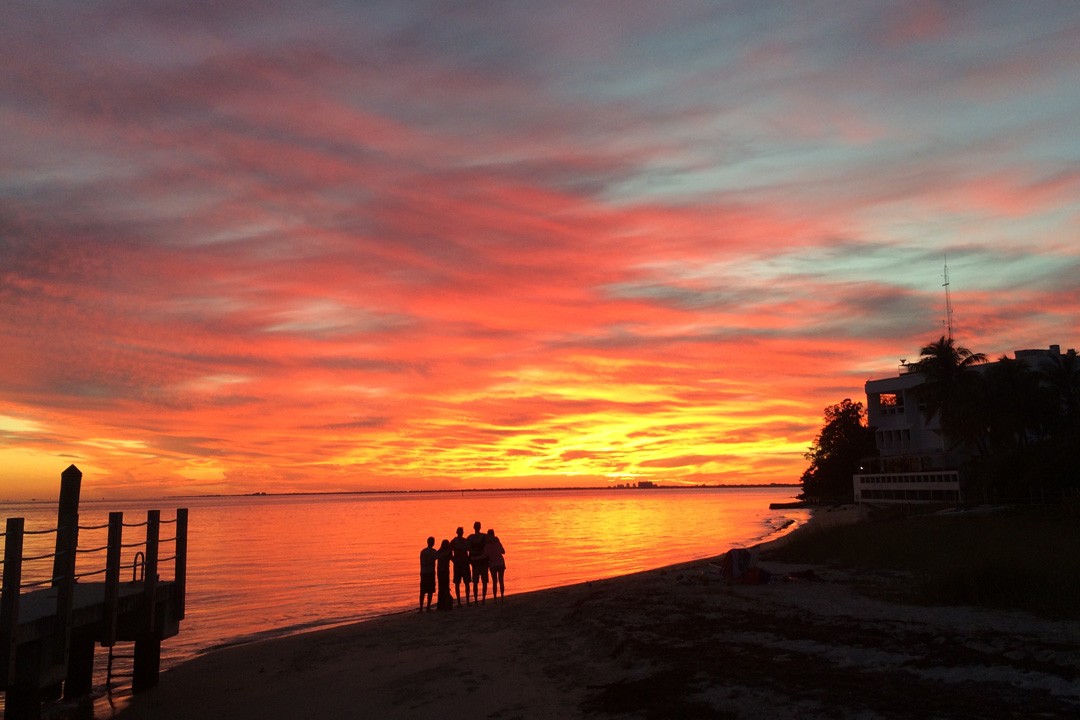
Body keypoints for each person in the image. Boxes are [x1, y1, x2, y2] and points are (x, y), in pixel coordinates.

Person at [449, 526, 472, 606]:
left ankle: (463, 602)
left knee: (463, 583)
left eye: (461, 531)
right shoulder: (455, 541)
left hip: (462, 564)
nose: (460, 533)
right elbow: (449, 551)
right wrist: (453, 559)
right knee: (461, 583)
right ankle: (462, 602)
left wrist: (453, 559)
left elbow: (470, 550)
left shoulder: (464, 541)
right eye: (460, 531)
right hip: (460, 564)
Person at [467, 521, 489, 604]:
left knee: (475, 582)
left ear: (474, 527)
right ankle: (483, 599)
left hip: (475, 562)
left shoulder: (470, 537)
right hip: (483, 562)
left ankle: (476, 600)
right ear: (480, 527)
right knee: (484, 582)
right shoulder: (484, 536)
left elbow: (468, 549)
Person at [483, 528, 506, 602]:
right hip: (500, 563)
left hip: (493, 564)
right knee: (501, 581)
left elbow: (484, 555)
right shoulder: (497, 542)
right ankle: (502, 597)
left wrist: (475, 557)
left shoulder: (486, 545)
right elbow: (503, 551)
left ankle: (495, 599)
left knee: (494, 582)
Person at [419, 536, 437, 611]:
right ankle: (428, 607)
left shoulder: (423, 551)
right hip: (430, 572)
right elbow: (437, 557)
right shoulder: (433, 551)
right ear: (433, 543)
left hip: (424, 572)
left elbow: (422, 562)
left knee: (422, 591)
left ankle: (421, 608)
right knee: (430, 591)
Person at [435, 539, 453, 610]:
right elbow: (452, 559)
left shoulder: (440, 551)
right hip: (444, 571)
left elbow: (435, 556)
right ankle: (445, 604)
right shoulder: (447, 551)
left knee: (442, 587)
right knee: (445, 587)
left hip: (441, 571)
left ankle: (441, 605)